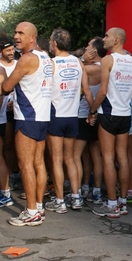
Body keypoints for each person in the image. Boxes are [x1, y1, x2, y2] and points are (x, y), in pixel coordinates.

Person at [89, 27, 132, 218]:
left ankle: (112, 204)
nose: (104, 39)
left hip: (108, 113)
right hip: (125, 115)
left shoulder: (108, 59)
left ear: (116, 40)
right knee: (123, 158)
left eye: (107, 36)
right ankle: (123, 202)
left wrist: (92, 110)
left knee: (108, 158)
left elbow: (102, 91)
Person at [3, 22, 53, 226]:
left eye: (20, 33)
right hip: (42, 117)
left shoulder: (27, 58)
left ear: (32, 37)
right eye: (15, 32)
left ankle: (31, 210)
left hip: (27, 117)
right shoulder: (47, 58)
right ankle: (38, 207)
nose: (16, 36)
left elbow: (6, 87)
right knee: (38, 163)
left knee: (25, 165)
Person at [44, 28, 93, 213]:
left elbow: (44, 90)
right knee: (71, 159)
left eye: (50, 40)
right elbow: (87, 90)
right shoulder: (78, 63)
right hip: (73, 116)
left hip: (56, 115)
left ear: (55, 43)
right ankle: (76, 197)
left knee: (56, 160)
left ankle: (60, 201)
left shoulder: (52, 63)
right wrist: (93, 111)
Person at [72, 37, 107, 205]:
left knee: (75, 156)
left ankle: (76, 191)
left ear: (94, 51)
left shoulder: (89, 69)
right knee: (93, 155)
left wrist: (81, 59)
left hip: (84, 115)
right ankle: (92, 188)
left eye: (88, 46)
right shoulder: (105, 68)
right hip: (97, 115)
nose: (85, 48)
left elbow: (73, 68)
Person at [0, 35, 16, 207]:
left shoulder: (1, 70)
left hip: (7, 115)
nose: (12, 53)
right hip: (4, 116)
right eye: (8, 50)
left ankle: (6, 192)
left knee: (7, 148)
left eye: (13, 49)